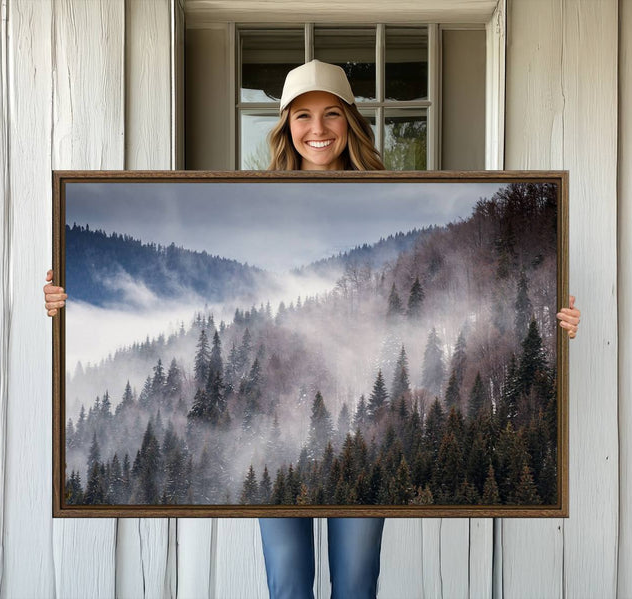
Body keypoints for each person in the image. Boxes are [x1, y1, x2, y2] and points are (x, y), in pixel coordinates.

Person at [43, 60, 582, 599]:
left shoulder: (396, 201)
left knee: (355, 585)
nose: (318, 129)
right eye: (303, 116)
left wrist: (549, 320)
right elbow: (192, 289)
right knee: (288, 586)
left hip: (363, 426)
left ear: (350, 121)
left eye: (331, 115)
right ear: (285, 126)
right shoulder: (247, 206)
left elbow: (475, 304)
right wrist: (67, 298)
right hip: (270, 422)